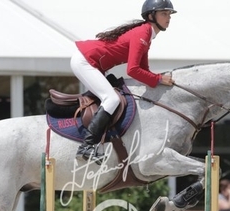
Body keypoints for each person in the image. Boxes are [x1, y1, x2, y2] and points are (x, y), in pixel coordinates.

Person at [71, 0, 176, 163]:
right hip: (86, 61)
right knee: (111, 99)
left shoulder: (146, 35)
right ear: (151, 16)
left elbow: (144, 69)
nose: (168, 17)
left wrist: (158, 79)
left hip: (91, 63)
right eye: (164, 13)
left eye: (169, 14)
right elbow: (133, 70)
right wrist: (159, 79)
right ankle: (87, 146)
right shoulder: (143, 34)